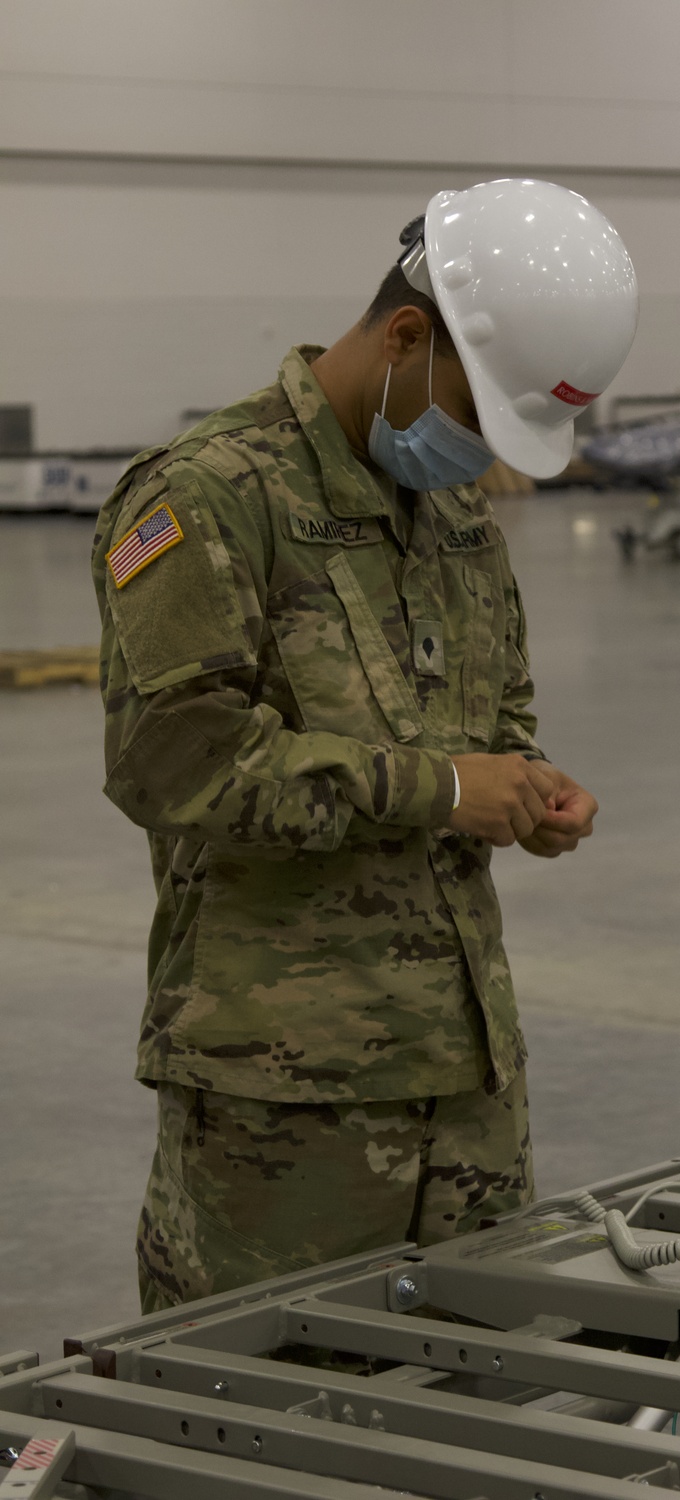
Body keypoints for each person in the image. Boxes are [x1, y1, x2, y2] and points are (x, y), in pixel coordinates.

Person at [92, 178, 638, 1312]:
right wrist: (439, 791)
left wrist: (525, 790)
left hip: (468, 1073)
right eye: (479, 418)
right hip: (286, 1100)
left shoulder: (453, 517)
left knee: (469, 1408)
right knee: (253, 1429)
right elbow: (174, 764)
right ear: (404, 336)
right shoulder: (206, 496)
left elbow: (500, 719)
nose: (481, 455)